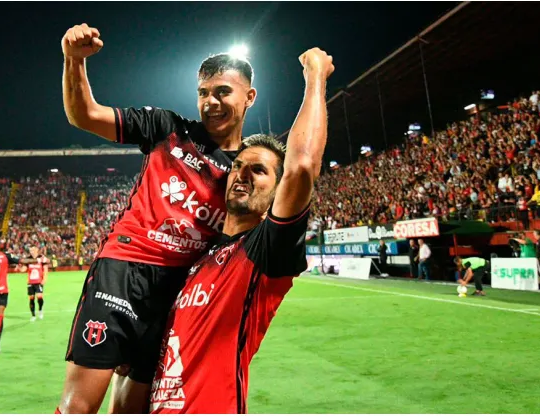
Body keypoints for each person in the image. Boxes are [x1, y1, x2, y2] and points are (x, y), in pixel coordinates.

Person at [58, 23, 258, 413]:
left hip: (178, 294)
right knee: (78, 407)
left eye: (223, 92)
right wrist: (73, 60)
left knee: (132, 408)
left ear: (249, 96)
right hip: (124, 271)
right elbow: (85, 115)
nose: (211, 102)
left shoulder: (250, 169)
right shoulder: (168, 128)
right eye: (203, 93)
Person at [150, 48, 334, 413]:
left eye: (260, 171)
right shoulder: (196, 258)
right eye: (239, 166)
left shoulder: (265, 251)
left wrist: (316, 76)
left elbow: (301, 166)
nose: (243, 173)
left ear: (276, 194)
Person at [26, 246, 48, 322]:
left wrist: (44, 279)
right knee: (31, 298)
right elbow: (24, 269)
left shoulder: (41, 258)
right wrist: (19, 266)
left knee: (39, 297)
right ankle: (33, 315)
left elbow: (45, 269)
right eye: (30, 250)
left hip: (39, 281)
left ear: (37, 250)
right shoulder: (28, 259)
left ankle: (40, 310)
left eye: (33, 250)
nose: (31, 251)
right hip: (30, 282)